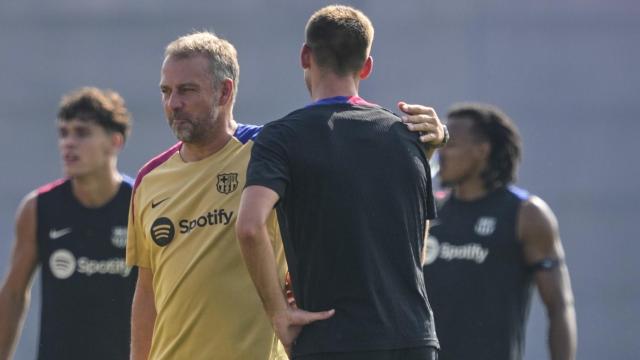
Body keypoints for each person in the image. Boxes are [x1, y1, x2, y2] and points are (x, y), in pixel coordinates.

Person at [127, 30, 446, 360]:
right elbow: (147, 290)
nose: (173, 103)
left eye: (187, 90)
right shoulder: (150, 179)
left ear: (225, 91)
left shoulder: (272, 151)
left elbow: (369, 189)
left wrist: (428, 145)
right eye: (166, 91)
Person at [236, 5, 443, 360]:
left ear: (305, 56)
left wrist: (278, 313)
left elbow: (250, 227)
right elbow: (415, 244)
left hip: (332, 339)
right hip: (413, 338)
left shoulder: (281, 137)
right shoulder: (410, 136)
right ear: (366, 66)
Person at [422, 102, 577, 360]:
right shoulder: (429, 210)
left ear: (482, 150)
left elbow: (559, 307)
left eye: (450, 145)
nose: (441, 154)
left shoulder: (526, 214)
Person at [0, 87, 137, 360]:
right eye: (63, 133)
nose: (68, 143)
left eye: (82, 133)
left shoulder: (141, 206)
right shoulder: (38, 208)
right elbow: (14, 295)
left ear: (115, 141)